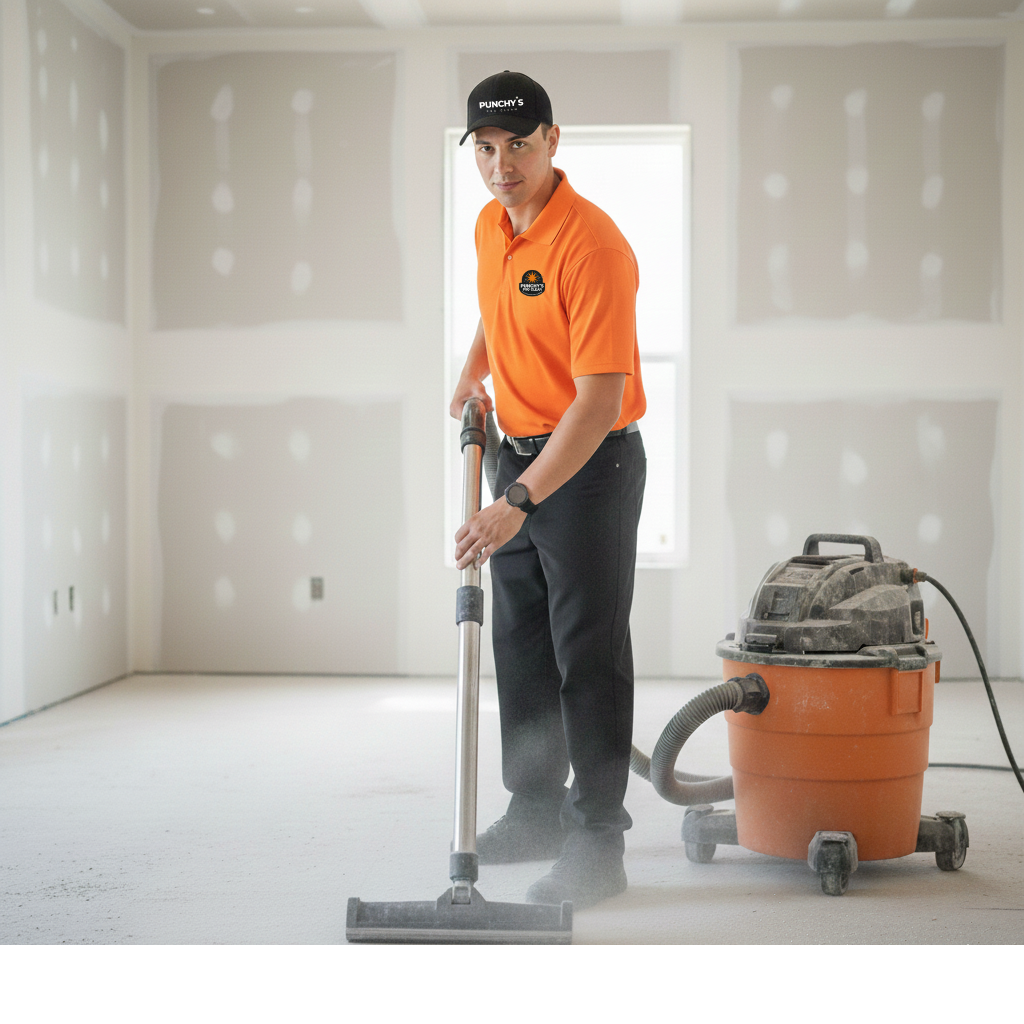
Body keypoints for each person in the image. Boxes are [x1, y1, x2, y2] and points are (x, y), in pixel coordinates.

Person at [450, 70, 646, 910]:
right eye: (486, 149)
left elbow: (599, 401)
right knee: (521, 649)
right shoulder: (493, 226)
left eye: (518, 145)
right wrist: (471, 374)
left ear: (553, 140)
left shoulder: (592, 245)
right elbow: (499, 311)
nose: (502, 165)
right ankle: (532, 810)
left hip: (587, 470)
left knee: (586, 657)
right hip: (515, 460)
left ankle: (598, 840)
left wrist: (518, 500)